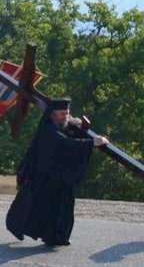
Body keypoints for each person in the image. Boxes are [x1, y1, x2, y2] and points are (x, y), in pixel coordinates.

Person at [6, 98, 108, 247]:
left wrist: (82, 129)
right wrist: (93, 143)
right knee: (38, 207)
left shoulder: (64, 125)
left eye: (67, 113)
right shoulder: (48, 129)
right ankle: (21, 227)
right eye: (62, 113)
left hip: (62, 177)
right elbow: (65, 144)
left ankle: (57, 237)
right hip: (45, 177)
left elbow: (71, 136)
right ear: (52, 114)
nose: (65, 116)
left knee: (63, 208)